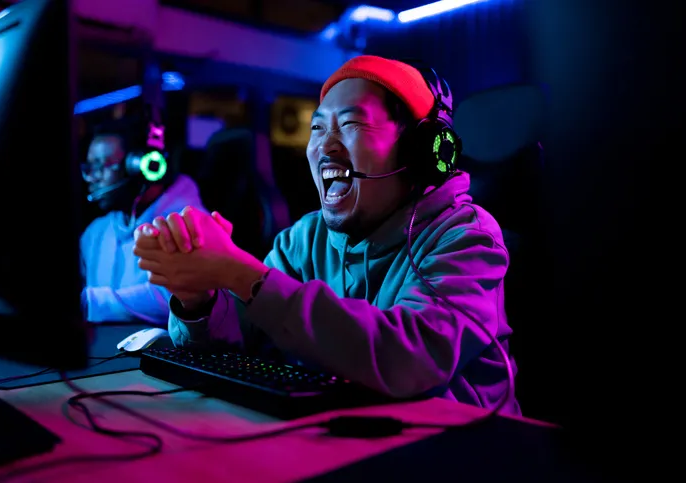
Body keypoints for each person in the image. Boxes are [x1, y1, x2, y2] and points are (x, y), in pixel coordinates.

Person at [133, 55, 520, 414]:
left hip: (462, 448)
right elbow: (239, 340)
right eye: (317, 127)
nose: (325, 145)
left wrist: (241, 274)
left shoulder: (467, 236)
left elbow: (410, 361)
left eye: (350, 124)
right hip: (344, 438)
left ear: (416, 152)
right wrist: (198, 297)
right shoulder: (303, 238)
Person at [80, 117, 206, 324]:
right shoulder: (97, 232)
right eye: (89, 168)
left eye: (101, 166)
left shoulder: (187, 226)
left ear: (142, 166)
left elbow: (175, 300)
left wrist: (88, 303)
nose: (92, 178)